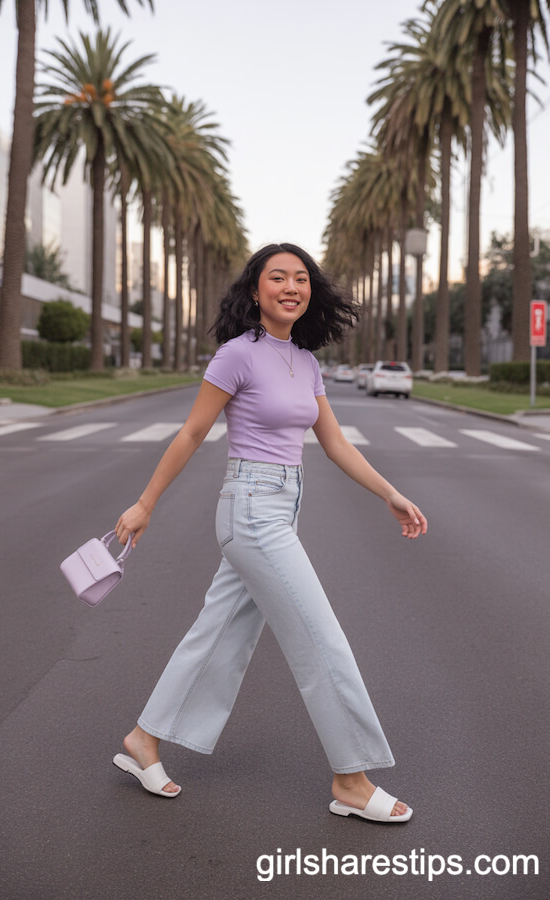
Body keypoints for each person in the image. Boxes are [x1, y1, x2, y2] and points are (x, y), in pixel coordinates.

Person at [113, 243, 427, 823]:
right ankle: (352, 779)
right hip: (251, 508)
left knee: (220, 632)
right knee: (319, 637)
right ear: (255, 289)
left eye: (301, 278)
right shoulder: (236, 354)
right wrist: (144, 504)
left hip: (281, 507)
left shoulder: (304, 361)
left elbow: (333, 444)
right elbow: (190, 434)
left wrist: (390, 493)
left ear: (311, 292)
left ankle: (143, 739)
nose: (291, 286)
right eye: (277, 277)